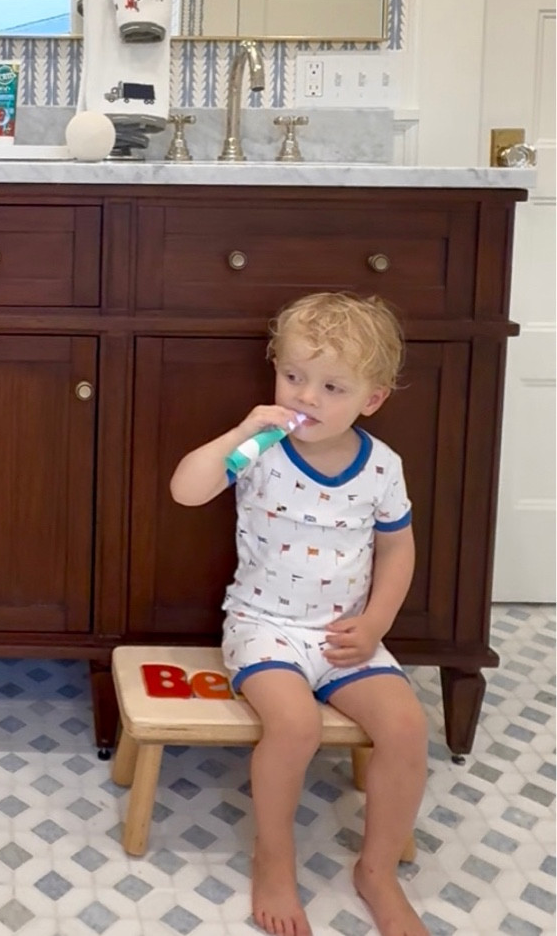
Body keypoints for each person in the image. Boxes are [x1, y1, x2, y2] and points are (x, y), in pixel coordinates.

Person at [170, 292, 428, 936]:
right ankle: (274, 859)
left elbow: (398, 549)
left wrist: (375, 626)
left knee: (407, 729)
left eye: (332, 386)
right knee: (295, 726)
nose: (307, 397)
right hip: (264, 628)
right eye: (293, 376)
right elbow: (186, 490)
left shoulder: (382, 468)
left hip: (345, 634)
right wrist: (239, 433)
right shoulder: (258, 451)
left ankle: (377, 870)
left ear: (371, 399)